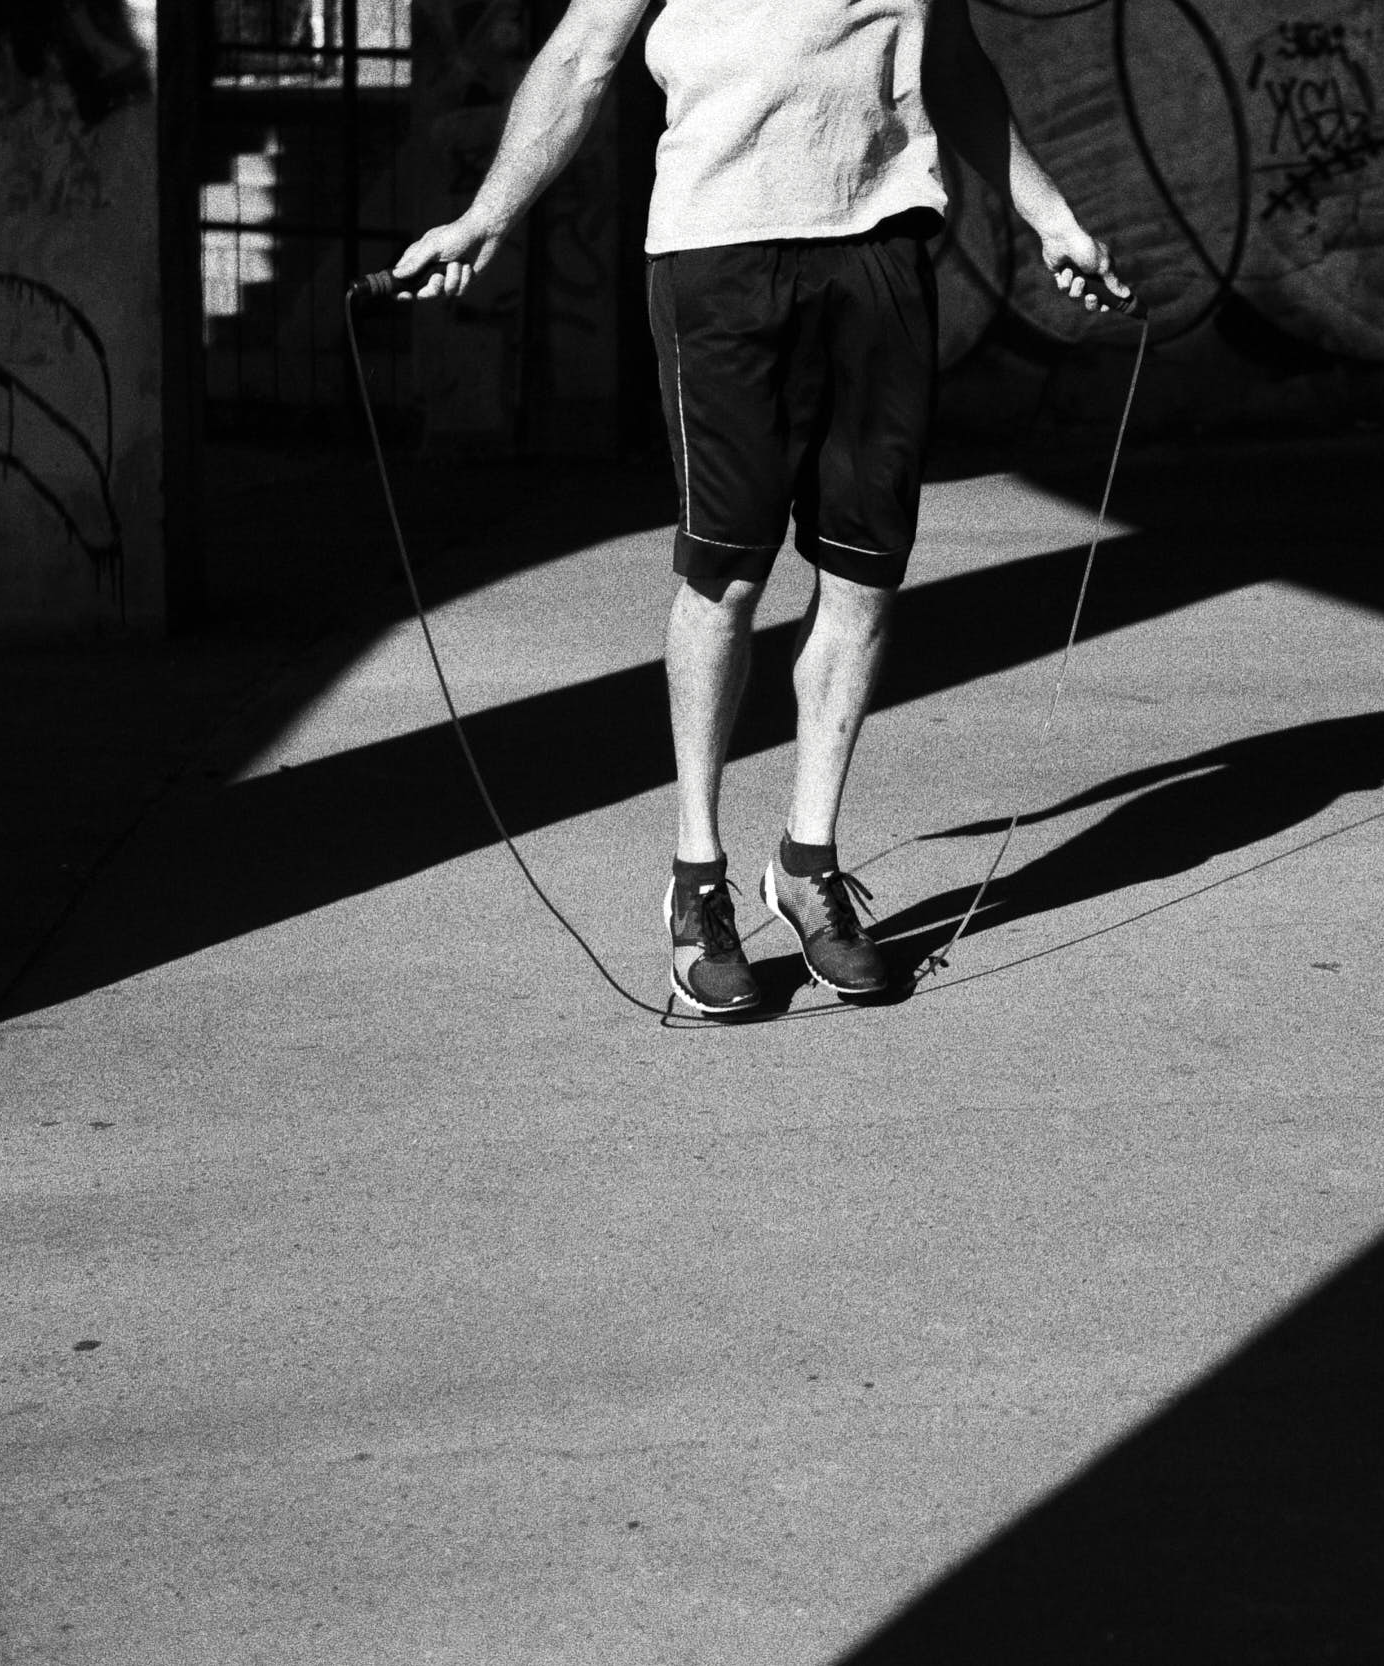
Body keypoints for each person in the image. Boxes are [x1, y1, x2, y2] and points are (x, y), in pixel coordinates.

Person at [393, 0, 1128, 1014]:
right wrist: (489, 214)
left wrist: (1050, 217)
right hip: (720, 252)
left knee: (864, 575)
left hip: (881, 245)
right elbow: (580, 54)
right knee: (726, 571)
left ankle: (808, 863)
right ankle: (699, 879)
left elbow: (950, 62)